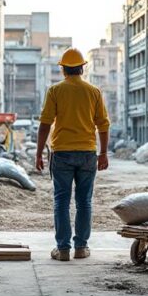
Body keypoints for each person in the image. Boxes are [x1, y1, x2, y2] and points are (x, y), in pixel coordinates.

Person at [35, 48, 110, 261]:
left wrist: (39, 153)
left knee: (61, 201)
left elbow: (45, 124)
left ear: (63, 70)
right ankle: (81, 248)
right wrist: (103, 153)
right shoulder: (94, 92)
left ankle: (63, 249)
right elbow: (103, 125)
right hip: (87, 154)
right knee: (84, 202)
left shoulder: (55, 91)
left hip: (62, 153)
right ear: (82, 68)